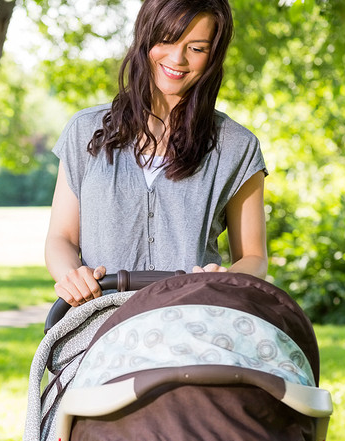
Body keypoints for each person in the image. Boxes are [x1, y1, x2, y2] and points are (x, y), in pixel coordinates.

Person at [45, 0, 268, 307]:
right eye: (166, 40)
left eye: (197, 48)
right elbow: (61, 238)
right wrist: (72, 276)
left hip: (193, 319)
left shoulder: (238, 146)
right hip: (99, 321)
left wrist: (224, 280)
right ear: (145, 38)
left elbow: (254, 257)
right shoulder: (84, 131)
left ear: (213, 55)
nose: (177, 58)